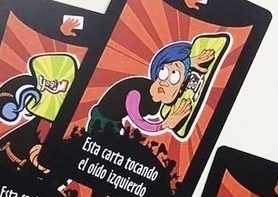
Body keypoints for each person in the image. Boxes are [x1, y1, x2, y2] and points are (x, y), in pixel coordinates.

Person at [87, 41, 216, 135]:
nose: (164, 82)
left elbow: (176, 67)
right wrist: (165, 124)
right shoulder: (135, 94)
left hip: (116, 121)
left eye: (174, 77)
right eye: (163, 72)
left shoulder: (160, 99)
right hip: (101, 120)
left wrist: (189, 62)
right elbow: (139, 121)